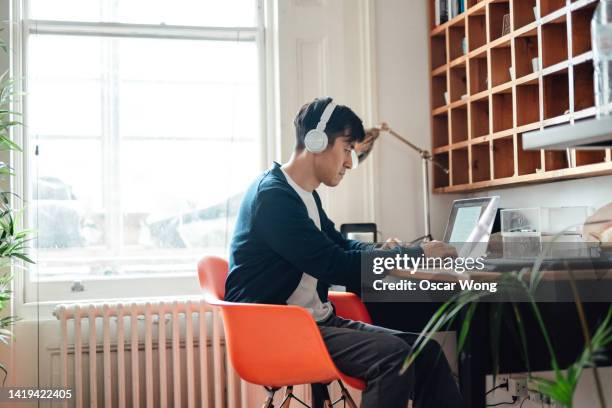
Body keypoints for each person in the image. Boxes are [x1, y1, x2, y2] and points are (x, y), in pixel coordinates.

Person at [225, 97, 464, 408]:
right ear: (316, 141)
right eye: (347, 149)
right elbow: (336, 265)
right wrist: (414, 253)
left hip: (312, 323)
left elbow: (341, 244)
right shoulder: (273, 198)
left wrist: (383, 250)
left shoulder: (303, 195)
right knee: (393, 357)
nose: (351, 163)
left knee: (426, 352)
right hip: (276, 332)